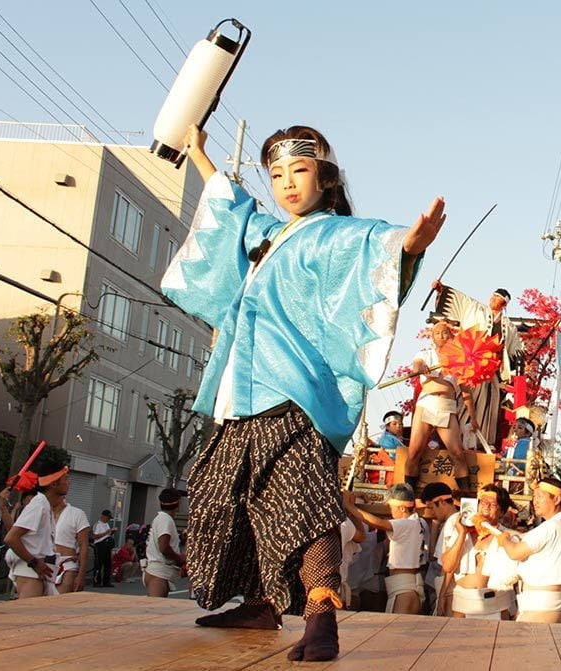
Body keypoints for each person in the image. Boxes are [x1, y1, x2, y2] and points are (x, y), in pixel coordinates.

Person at [160, 123, 446, 663]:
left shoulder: (333, 234)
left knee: (300, 501)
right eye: (277, 174)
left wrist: (410, 244)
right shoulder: (269, 233)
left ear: (326, 177)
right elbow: (233, 206)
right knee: (230, 498)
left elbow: (376, 245)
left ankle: (320, 616)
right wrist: (197, 151)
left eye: (300, 170)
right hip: (241, 394)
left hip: (294, 394)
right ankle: (262, 602)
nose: (287, 183)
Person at [432, 283, 524, 447]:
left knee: (489, 404)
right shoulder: (475, 308)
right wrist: (441, 289)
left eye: (499, 298)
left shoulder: (509, 327)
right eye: (493, 296)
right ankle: (453, 439)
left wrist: (520, 363)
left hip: (491, 370)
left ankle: (482, 442)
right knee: (464, 400)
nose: (494, 299)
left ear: (504, 304)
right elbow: (458, 299)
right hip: (468, 365)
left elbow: (516, 350)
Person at [406, 321, 476, 491]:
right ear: (432, 337)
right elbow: (417, 365)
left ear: (451, 336)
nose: (442, 336)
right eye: (438, 333)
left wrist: (473, 418)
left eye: (445, 333)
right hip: (426, 403)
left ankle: (464, 495)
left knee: (457, 453)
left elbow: (466, 392)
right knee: (414, 451)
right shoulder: (425, 354)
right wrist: (421, 368)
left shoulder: (459, 360)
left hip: (447, 406)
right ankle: (407, 492)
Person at [498, 478, 561, 623]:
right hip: (549, 601)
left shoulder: (551, 526)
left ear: (557, 499)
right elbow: (526, 538)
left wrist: (504, 541)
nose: (535, 501)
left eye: (540, 496)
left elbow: (515, 553)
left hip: (542, 605)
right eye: (534, 496)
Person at [443, 485, 518, 620]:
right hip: (463, 604)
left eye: (492, 504)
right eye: (483, 502)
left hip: (497, 604)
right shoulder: (461, 532)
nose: (486, 506)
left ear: (501, 511)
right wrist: (461, 534)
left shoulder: (507, 536)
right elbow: (447, 566)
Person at [348, 484, 424, 614]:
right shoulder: (416, 523)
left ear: (402, 508)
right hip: (406, 585)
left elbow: (378, 523)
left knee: (396, 632)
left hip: (404, 588)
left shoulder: (406, 523)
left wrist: (351, 507)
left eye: (391, 507)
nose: (389, 510)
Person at [4, 461, 69, 598]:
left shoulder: (45, 505)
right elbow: (11, 538)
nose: (68, 482)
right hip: (30, 573)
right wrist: (34, 562)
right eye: (65, 479)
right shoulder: (38, 504)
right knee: (27, 617)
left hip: (39, 571)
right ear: (53, 484)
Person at [419, 481, 459, 615]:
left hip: (449, 589)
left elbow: (447, 567)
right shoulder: (453, 521)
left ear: (441, 501)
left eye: (432, 508)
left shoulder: (453, 523)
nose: (431, 513)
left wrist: (442, 596)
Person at [145, 489, 185, 598]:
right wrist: (179, 558)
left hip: (158, 571)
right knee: (155, 609)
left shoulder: (161, 518)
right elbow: (163, 547)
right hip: (159, 573)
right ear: (178, 503)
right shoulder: (165, 520)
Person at [53, 497, 90, 594]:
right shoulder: (42, 512)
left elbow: (84, 546)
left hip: (67, 564)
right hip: (43, 564)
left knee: (59, 603)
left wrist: (81, 576)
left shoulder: (77, 514)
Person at [92, 509, 116, 588]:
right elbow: (95, 536)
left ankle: (106, 581)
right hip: (100, 545)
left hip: (107, 545)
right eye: (107, 518)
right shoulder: (98, 524)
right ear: (103, 516)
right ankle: (97, 581)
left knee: (107, 564)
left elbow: (108, 534)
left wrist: (111, 532)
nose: (108, 519)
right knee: (98, 563)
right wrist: (106, 532)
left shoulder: (106, 525)